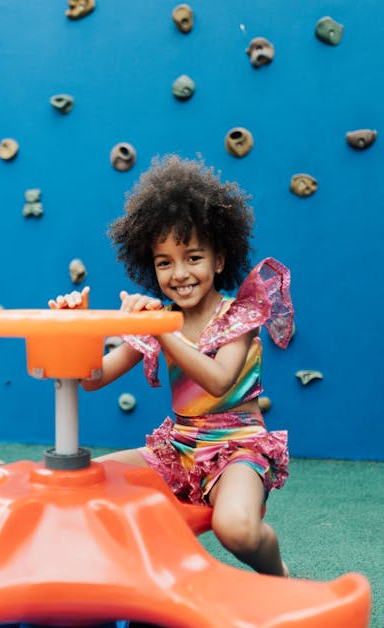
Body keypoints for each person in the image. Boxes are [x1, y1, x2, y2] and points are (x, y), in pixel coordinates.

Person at [49, 155, 294, 577]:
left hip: (239, 447)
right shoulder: (161, 318)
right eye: (164, 262)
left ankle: (280, 577)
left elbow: (218, 382)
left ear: (219, 260)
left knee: (236, 529)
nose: (179, 274)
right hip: (180, 448)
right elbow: (93, 379)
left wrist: (162, 330)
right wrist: (80, 327)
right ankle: (137, 578)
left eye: (193, 258)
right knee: (87, 482)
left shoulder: (239, 315)